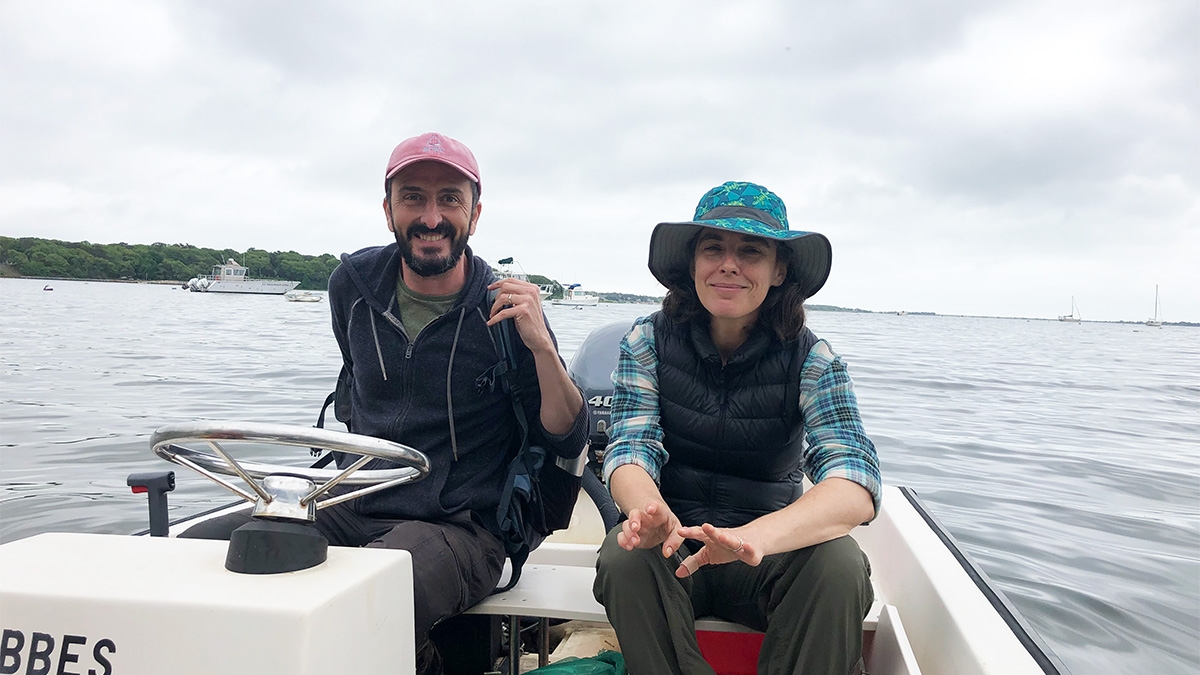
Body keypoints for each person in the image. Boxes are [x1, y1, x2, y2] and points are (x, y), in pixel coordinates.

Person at [182, 132, 588, 673]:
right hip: (352, 500)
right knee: (188, 555)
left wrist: (542, 348)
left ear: (475, 213)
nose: (431, 216)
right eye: (413, 197)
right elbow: (355, 385)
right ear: (388, 209)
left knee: (364, 598)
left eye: (450, 198)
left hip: (464, 523)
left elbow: (566, 433)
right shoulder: (351, 285)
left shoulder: (508, 307)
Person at [593, 181, 881, 675]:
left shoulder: (814, 359)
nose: (729, 264)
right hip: (676, 543)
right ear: (691, 265)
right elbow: (629, 448)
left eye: (750, 250)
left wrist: (753, 538)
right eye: (713, 248)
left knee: (840, 566)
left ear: (779, 270)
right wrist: (649, 512)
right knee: (625, 558)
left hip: (766, 556)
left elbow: (854, 481)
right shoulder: (647, 341)